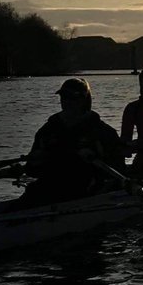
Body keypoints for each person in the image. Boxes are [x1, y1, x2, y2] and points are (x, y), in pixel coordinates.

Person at [21, 77, 124, 206]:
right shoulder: (48, 130)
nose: (67, 102)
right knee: (32, 192)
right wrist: (35, 161)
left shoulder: (103, 132)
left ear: (84, 100)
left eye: (72, 98)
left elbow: (118, 170)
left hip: (85, 187)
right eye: (64, 97)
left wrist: (95, 157)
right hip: (51, 184)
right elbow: (32, 170)